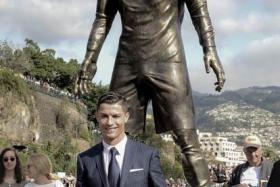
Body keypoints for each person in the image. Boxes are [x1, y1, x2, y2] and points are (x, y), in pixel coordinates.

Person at [75, 0, 226, 186]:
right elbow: (103, 18)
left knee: (187, 139)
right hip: (128, 61)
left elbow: (199, 11)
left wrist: (210, 48)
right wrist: (90, 59)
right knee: (112, 135)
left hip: (169, 59)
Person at [76, 92, 166, 187]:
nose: (110, 122)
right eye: (104, 116)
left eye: (115, 116)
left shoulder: (148, 156)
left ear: (126, 117)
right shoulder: (85, 160)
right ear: (97, 117)